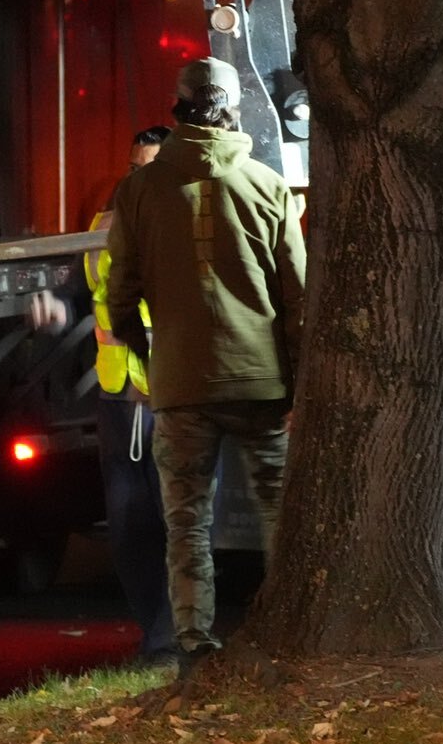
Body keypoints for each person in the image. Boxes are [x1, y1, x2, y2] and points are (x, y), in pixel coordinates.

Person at [105, 56, 306, 671]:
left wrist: (148, 359)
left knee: (187, 519)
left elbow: (121, 292)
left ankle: (194, 642)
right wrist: (297, 384)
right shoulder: (269, 187)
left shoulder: (138, 190)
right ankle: (289, 631)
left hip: (181, 386)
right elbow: (298, 296)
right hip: (261, 383)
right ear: (232, 109)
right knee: (279, 514)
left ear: (179, 106)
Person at [83, 126, 177, 664]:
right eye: (134, 169)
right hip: (118, 401)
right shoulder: (101, 228)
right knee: (128, 532)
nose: (139, 180)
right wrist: (52, 310)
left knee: (179, 526)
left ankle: (168, 643)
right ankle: (154, 635)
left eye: (152, 169)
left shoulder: (188, 228)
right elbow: (83, 295)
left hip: (170, 398)